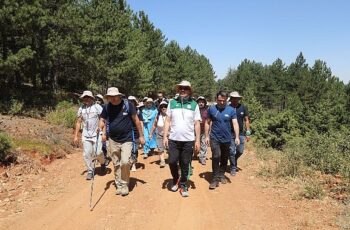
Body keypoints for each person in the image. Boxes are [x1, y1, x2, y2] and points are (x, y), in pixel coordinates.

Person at [99, 87, 145, 196]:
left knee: (125, 162)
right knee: (116, 162)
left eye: (115, 96)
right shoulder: (106, 107)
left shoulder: (128, 105)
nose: (113, 99)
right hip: (113, 139)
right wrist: (100, 126)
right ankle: (118, 184)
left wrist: (141, 136)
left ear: (119, 96)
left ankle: (125, 184)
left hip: (127, 138)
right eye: (110, 97)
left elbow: (136, 120)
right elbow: (102, 119)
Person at [163, 80, 201, 197]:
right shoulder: (172, 102)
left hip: (188, 140)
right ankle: (175, 179)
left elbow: (197, 123)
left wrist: (198, 140)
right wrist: (165, 136)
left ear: (190, 90)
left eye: (185, 88)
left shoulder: (194, 104)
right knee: (172, 161)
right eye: (181, 88)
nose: (183, 90)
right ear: (178, 90)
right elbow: (168, 120)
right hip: (173, 139)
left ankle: (183, 184)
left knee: (185, 163)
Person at [205, 90, 240, 190]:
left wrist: (237, 137)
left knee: (224, 157)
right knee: (216, 156)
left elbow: (235, 123)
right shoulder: (211, 109)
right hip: (214, 137)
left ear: (226, 100)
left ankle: (221, 174)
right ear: (216, 99)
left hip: (227, 139)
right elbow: (207, 123)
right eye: (219, 100)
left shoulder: (231, 110)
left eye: (223, 101)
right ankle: (214, 179)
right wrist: (207, 136)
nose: (221, 102)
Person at [74, 91, 105, 180]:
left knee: (98, 152)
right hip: (86, 134)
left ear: (92, 98)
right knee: (87, 154)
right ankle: (90, 170)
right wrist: (76, 136)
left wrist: (103, 131)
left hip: (97, 134)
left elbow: (103, 119)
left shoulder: (97, 107)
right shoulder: (81, 109)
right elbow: (79, 122)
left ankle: (102, 163)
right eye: (85, 97)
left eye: (88, 97)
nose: (86, 99)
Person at [228, 91, 251, 175]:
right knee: (231, 151)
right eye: (233, 98)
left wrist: (248, 132)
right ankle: (233, 167)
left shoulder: (243, 107)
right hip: (229, 133)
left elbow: (246, 120)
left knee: (240, 151)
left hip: (241, 133)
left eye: (236, 98)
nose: (235, 100)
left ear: (238, 99)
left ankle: (233, 160)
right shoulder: (228, 108)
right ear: (231, 99)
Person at [149, 101, 168, 168]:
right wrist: (150, 134)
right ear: (160, 108)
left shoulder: (170, 115)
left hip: (169, 136)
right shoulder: (158, 116)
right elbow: (154, 125)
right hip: (159, 135)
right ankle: (162, 161)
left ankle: (172, 160)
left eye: (165, 106)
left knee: (170, 149)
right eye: (162, 107)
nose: (163, 108)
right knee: (160, 149)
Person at [128, 96, 144, 172]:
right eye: (129, 101)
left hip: (136, 132)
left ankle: (133, 164)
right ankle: (130, 163)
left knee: (135, 149)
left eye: (132, 101)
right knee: (128, 149)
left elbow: (141, 122)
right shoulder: (125, 109)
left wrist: (142, 134)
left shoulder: (138, 111)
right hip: (127, 132)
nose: (131, 102)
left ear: (135, 102)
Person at [196, 96, 208, 165]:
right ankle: (194, 154)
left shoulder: (207, 110)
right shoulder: (194, 109)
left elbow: (209, 120)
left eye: (202, 102)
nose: (201, 103)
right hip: (194, 130)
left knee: (204, 144)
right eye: (199, 102)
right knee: (194, 144)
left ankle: (202, 158)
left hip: (204, 130)